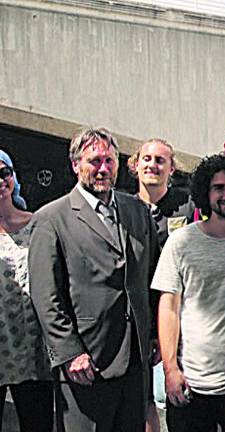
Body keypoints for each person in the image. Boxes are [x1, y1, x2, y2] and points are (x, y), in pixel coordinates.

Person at [29, 128, 158, 431]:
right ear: (75, 165)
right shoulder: (51, 219)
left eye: (109, 161)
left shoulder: (137, 211)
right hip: (86, 366)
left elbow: (151, 276)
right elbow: (45, 296)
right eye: (94, 161)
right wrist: (70, 352)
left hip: (135, 363)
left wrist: (153, 334)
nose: (103, 169)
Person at [152, 153, 225, 432]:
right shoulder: (181, 241)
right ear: (204, 194)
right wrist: (170, 369)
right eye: (218, 188)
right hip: (190, 383)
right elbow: (169, 307)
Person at [129, 138, 196, 432]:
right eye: (147, 159)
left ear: (172, 169)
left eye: (160, 160)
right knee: (144, 402)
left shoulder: (189, 205)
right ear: (135, 165)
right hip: (137, 320)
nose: (152, 165)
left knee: (174, 398)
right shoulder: (122, 207)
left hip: (178, 318)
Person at [0, 150, 54, 432]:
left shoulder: (38, 224)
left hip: (33, 347)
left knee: (38, 425)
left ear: (13, 178)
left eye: (3, 173)